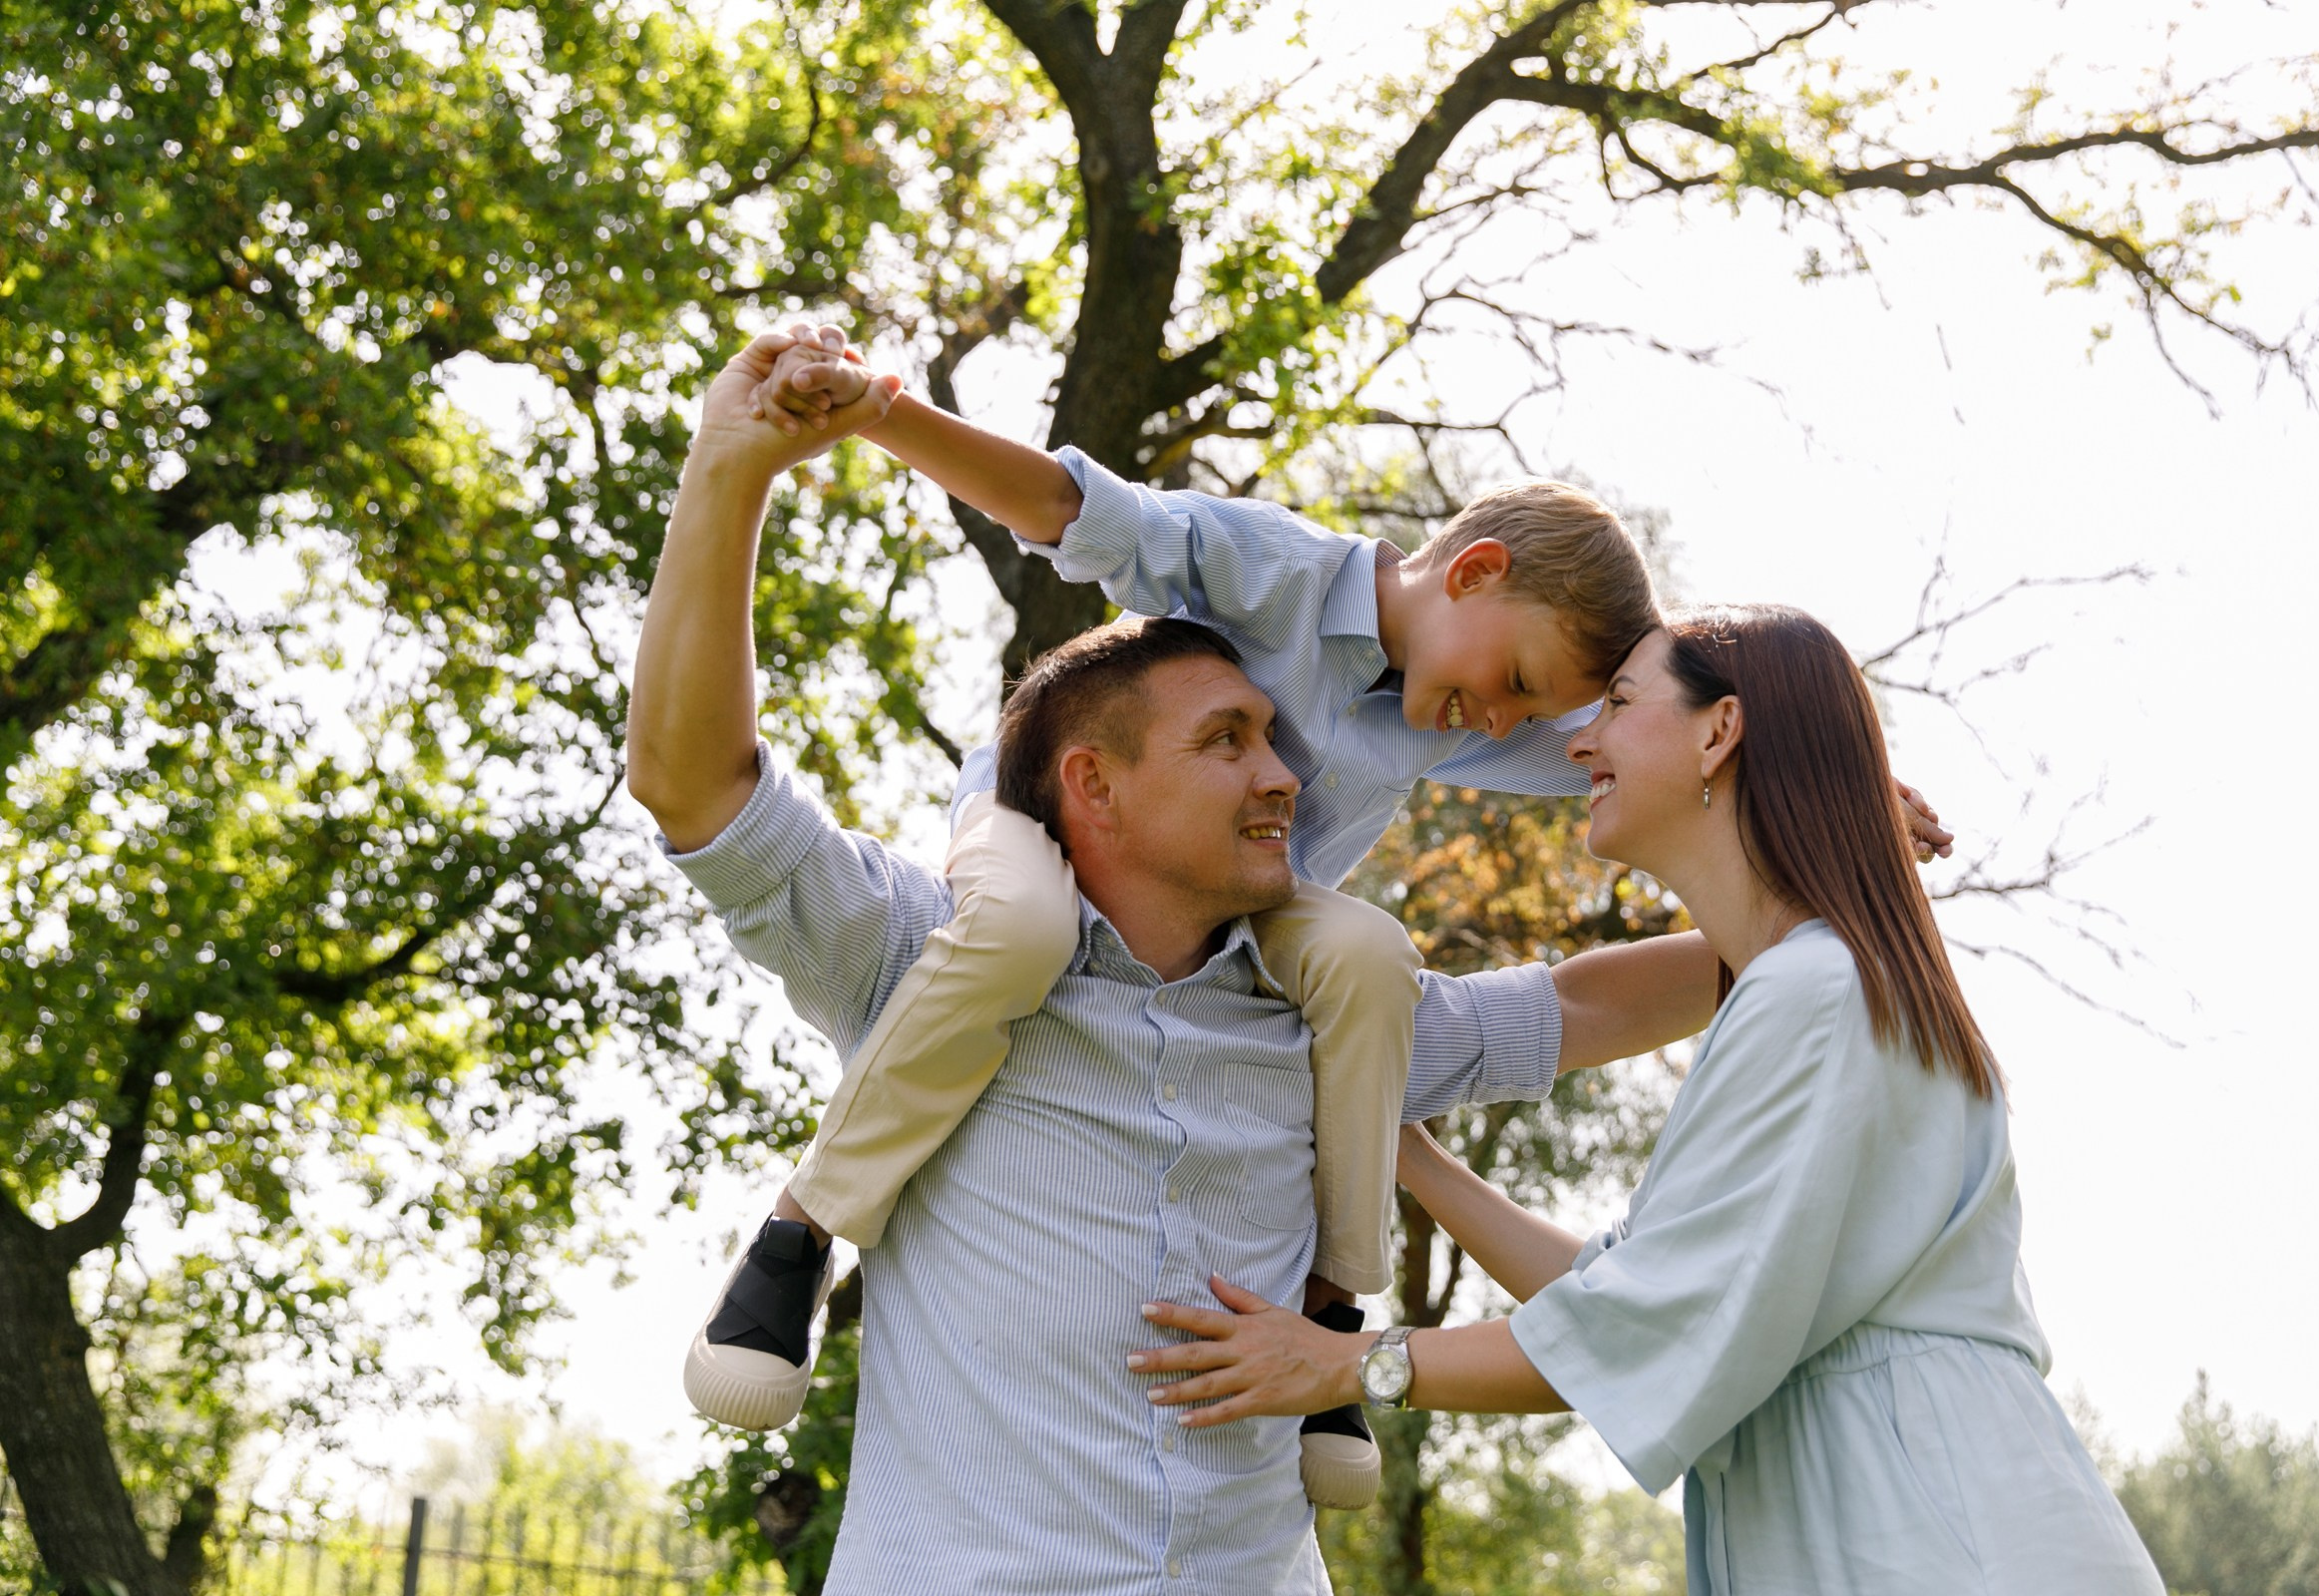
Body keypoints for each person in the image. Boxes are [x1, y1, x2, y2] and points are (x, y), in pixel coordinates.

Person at [684, 328, 1956, 1511]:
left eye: (1530, 711)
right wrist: (884, 413)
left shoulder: (1471, 703)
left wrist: (1833, 789)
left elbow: (1653, 744)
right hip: (1037, 829)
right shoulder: (1277, 572)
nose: (1506, 726)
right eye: (1516, 684)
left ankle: (1334, 1307)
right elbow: (1071, 507)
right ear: (1473, 571)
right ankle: (802, 1232)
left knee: (1366, 955)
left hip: (1250, 908)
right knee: (1021, 930)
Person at [1128, 605, 2165, 1595]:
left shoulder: (1816, 991)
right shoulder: (1813, 983)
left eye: (1619, 704)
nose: (1582, 744)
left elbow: (1633, 1322)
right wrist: (1403, 1148)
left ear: (1719, 732)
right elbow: (1623, 1286)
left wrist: (1342, 1364)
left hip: (1938, 1535)